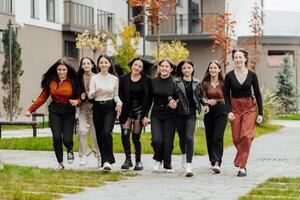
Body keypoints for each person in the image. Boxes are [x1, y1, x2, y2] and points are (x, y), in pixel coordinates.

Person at [25, 58, 82, 170]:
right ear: (56, 70)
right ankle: (60, 162)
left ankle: (70, 149)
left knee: (67, 139)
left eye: (64, 70)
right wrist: (30, 110)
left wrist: (77, 102)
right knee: (56, 137)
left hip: (68, 112)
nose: (61, 72)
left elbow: (79, 97)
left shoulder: (73, 82)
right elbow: (42, 97)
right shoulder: (51, 81)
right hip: (55, 111)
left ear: (67, 70)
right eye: (59, 70)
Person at [224, 48, 263, 177]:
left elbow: (257, 94)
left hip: (249, 107)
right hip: (235, 107)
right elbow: (225, 95)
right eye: (236, 57)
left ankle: (242, 166)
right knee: (236, 138)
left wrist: (260, 113)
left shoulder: (252, 75)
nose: (238, 60)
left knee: (246, 136)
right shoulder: (229, 76)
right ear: (233, 59)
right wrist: (228, 111)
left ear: (245, 59)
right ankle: (242, 159)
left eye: (240, 57)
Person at [174, 59, 208, 177]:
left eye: (189, 67)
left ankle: (189, 165)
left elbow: (200, 97)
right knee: (182, 139)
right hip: (178, 113)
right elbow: (171, 95)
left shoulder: (197, 82)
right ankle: (184, 155)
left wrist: (205, 105)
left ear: (192, 69)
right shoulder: (176, 82)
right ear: (181, 70)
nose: (186, 70)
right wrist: (171, 101)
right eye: (184, 68)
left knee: (189, 138)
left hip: (191, 114)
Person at [88, 54, 122, 171]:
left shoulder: (114, 79)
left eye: (105, 62)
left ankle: (108, 160)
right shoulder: (94, 78)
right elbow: (90, 94)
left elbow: (116, 95)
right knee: (99, 134)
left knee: (106, 132)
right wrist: (94, 92)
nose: (103, 64)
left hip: (110, 107)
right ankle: (104, 161)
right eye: (101, 62)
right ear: (98, 64)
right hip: (97, 107)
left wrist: (119, 103)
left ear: (109, 64)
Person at [119, 57, 152, 171]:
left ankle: (138, 161)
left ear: (142, 69)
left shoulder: (147, 80)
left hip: (140, 110)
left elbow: (149, 99)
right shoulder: (123, 79)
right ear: (131, 64)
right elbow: (120, 95)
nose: (136, 67)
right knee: (124, 134)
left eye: (139, 66)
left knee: (136, 137)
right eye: (135, 65)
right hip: (126, 110)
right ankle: (128, 160)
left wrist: (146, 115)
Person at [150, 59, 177, 173]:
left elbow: (178, 97)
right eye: (162, 66)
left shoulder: (175, 82)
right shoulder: (153, 81)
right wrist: (145, 115)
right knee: (157, 140)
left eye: (167, 66)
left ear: (171, 69)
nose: (164, 68)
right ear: (159, 68)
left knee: (168, 141)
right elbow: (148, 99)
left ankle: (167, 163)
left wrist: (175, 102)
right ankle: (157, 159)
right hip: (156, 113)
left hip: (170, 114)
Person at [202, 60, 227, 174]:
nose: (212, 70)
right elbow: (201, 97)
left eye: (215, 68)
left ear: (219, 70)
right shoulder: (205, 83)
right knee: (210, 137)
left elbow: (228, 97)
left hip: (221, 110)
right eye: (211, 68)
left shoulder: (224, 83)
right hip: (209, 111)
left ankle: (217, 162)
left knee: (218, 136)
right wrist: (206, 102)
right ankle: (212, 160)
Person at [77, 57, 101, 167]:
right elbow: (75, 91)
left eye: (88, 63)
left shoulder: (97, 77)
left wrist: (91, 94)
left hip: (94, 107)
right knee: (82, 130)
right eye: (84, 64)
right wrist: (80, 96)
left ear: (92, 65)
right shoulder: (79, 77)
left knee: (94, 133)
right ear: (81, 66)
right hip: (82, 107)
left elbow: (100, 92)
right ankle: (84, 155)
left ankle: (98, 155)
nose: (86, 65)